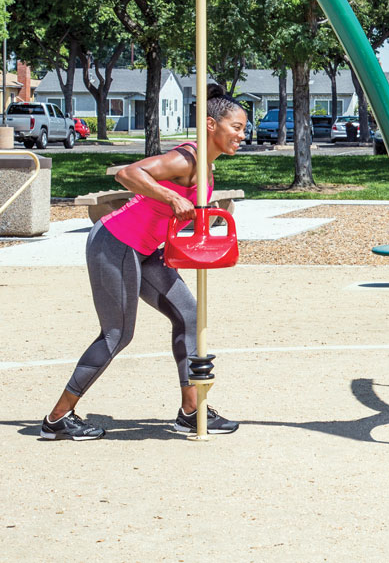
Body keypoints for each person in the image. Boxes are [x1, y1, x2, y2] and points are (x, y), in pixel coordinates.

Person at [40, 86, 247, 440]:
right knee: (117, 334)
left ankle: (191, 410)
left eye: (244, 129)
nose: (243, 135)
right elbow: (128, 173)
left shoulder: (206, 168)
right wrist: (168, 194)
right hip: (116, 243)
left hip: (147, 251)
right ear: (210, 125)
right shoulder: (187, 158)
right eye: (237, 127)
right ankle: (57, 418)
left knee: (189, 316)